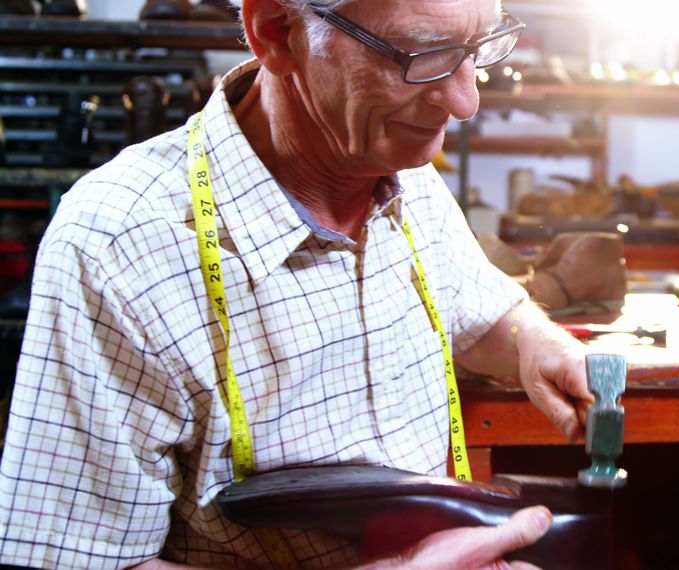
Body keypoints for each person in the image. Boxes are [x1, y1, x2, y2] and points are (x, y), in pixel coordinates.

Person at [0, 0, 593, 567]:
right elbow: (77, 562)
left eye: (477, 48)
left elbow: (483, 312)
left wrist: (539, 341)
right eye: (420, 54)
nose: (464, 102)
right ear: (278, 31)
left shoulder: (400, 171)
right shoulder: (118, 248)